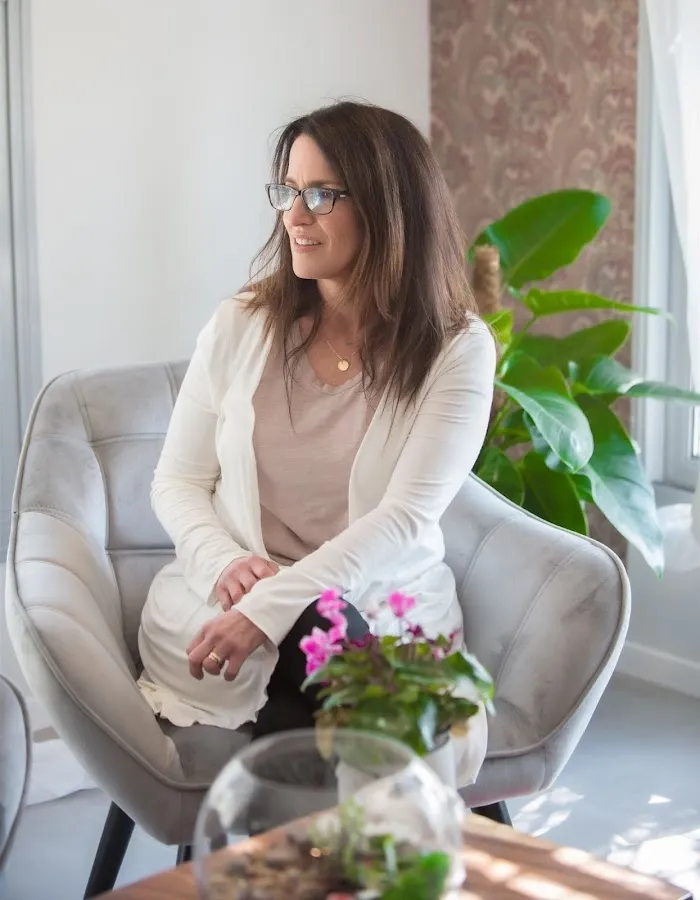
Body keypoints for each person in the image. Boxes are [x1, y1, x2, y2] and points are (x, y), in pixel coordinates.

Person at [137, 100, 496, 787]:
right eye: (289, 191)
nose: (294, 216)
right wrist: (225, 564)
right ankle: (385, 836)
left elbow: (405, 519)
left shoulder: (455, 348)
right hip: (224, 595)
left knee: (327, 649)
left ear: (391, 208)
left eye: (322, 194)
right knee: (347, 677)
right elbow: (176, 481)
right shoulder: (242, 324)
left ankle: (285, 836)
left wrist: (273, 608)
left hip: (379, 599)